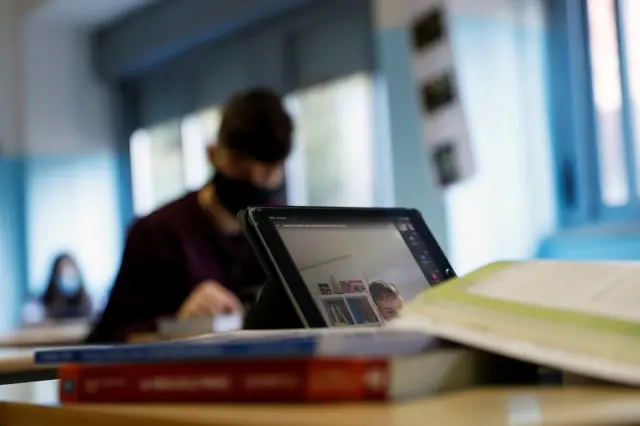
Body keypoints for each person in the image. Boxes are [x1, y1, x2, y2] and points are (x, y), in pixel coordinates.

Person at [86, 88, 293, 343]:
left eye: (268, 170)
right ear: (212, 154)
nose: (254, 180)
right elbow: (108, 339)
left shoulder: (285, 233)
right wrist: (177, 327)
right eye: (240, 165)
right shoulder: (158, 233)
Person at [23, 253, 92, 324]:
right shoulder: (40, 305)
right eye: (62, 270)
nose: (68, 274)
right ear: (55, 276)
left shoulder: (88, 302)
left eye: (71, 270)